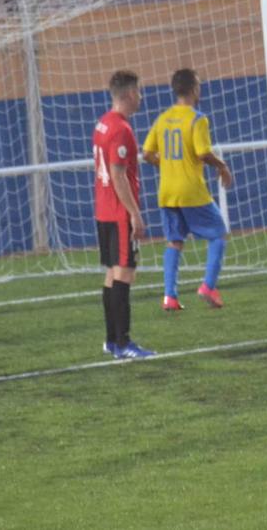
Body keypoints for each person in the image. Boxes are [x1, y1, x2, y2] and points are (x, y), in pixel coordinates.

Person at [142, 68, 234, 310]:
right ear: (194, 89)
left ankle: (169, 297)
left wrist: (168, 164)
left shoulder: (162, 118)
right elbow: (203, 152)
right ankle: (208, 286)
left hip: (167, 192)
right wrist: (222, 166)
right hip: (191, 191)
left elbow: (147, 153)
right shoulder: (197, 118)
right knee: (218, 234)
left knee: (174, 241)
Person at [94, 70, 155, 359]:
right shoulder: (121, 129)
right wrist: (134, 214)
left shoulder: (103, 124)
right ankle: (123, 342)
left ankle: (111, 340)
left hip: (103, 209)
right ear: (129, 94)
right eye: (139, 92)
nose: (140, 97)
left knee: (111, 274)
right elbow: (118, 175)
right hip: (118, 212)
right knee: (125, 274)